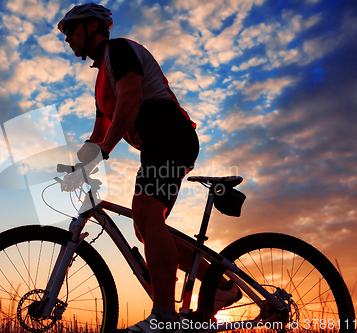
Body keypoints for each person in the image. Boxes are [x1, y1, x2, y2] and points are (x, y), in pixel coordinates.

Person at [58, 3, 240, 332]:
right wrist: (77, 167)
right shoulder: (101, 80)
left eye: (71, 30)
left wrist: (105, 151)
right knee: (145, 225)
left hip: (169, 135)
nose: (67, 38)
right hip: (160, 143)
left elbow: (131, 98)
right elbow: (98, 134)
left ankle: (165, 316)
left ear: (92, 27)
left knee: (145, 211)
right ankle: (221, 289)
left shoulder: (119, 50)